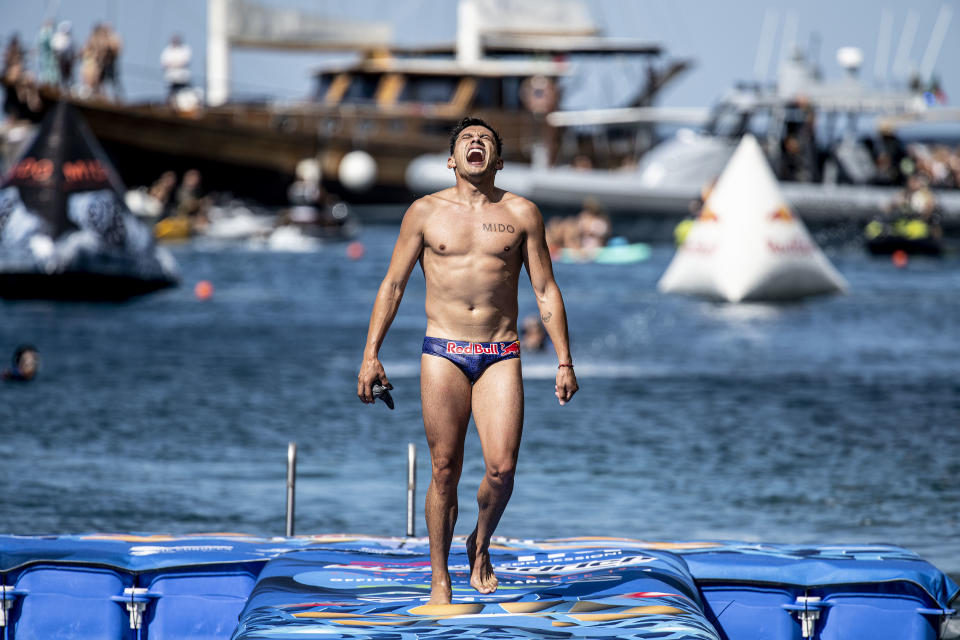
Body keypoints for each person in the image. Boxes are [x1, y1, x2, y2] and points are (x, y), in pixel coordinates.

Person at [357, 116, 578, 606]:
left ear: (497, 161)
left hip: (500, 351)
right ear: (452, 159)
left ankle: (479, 541)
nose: (475, 144)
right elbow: (393, 285)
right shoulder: (423, 212)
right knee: (443, 468)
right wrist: (371, 354)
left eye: (485, 141)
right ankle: (440, 582)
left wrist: (564, 359)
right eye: (466, 140)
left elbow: (545, 289)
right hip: (443, 351)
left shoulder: (522, 214)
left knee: (501, 469)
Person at [160, 34, 191, 105]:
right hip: (171, 78)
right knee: (171, 94)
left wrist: (174, 64)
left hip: (183, 78)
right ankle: (170, 104)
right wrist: (176, 64)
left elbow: (185, 62)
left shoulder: (185, 49)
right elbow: (165, 63)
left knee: (185, 93)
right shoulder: (167, 50)